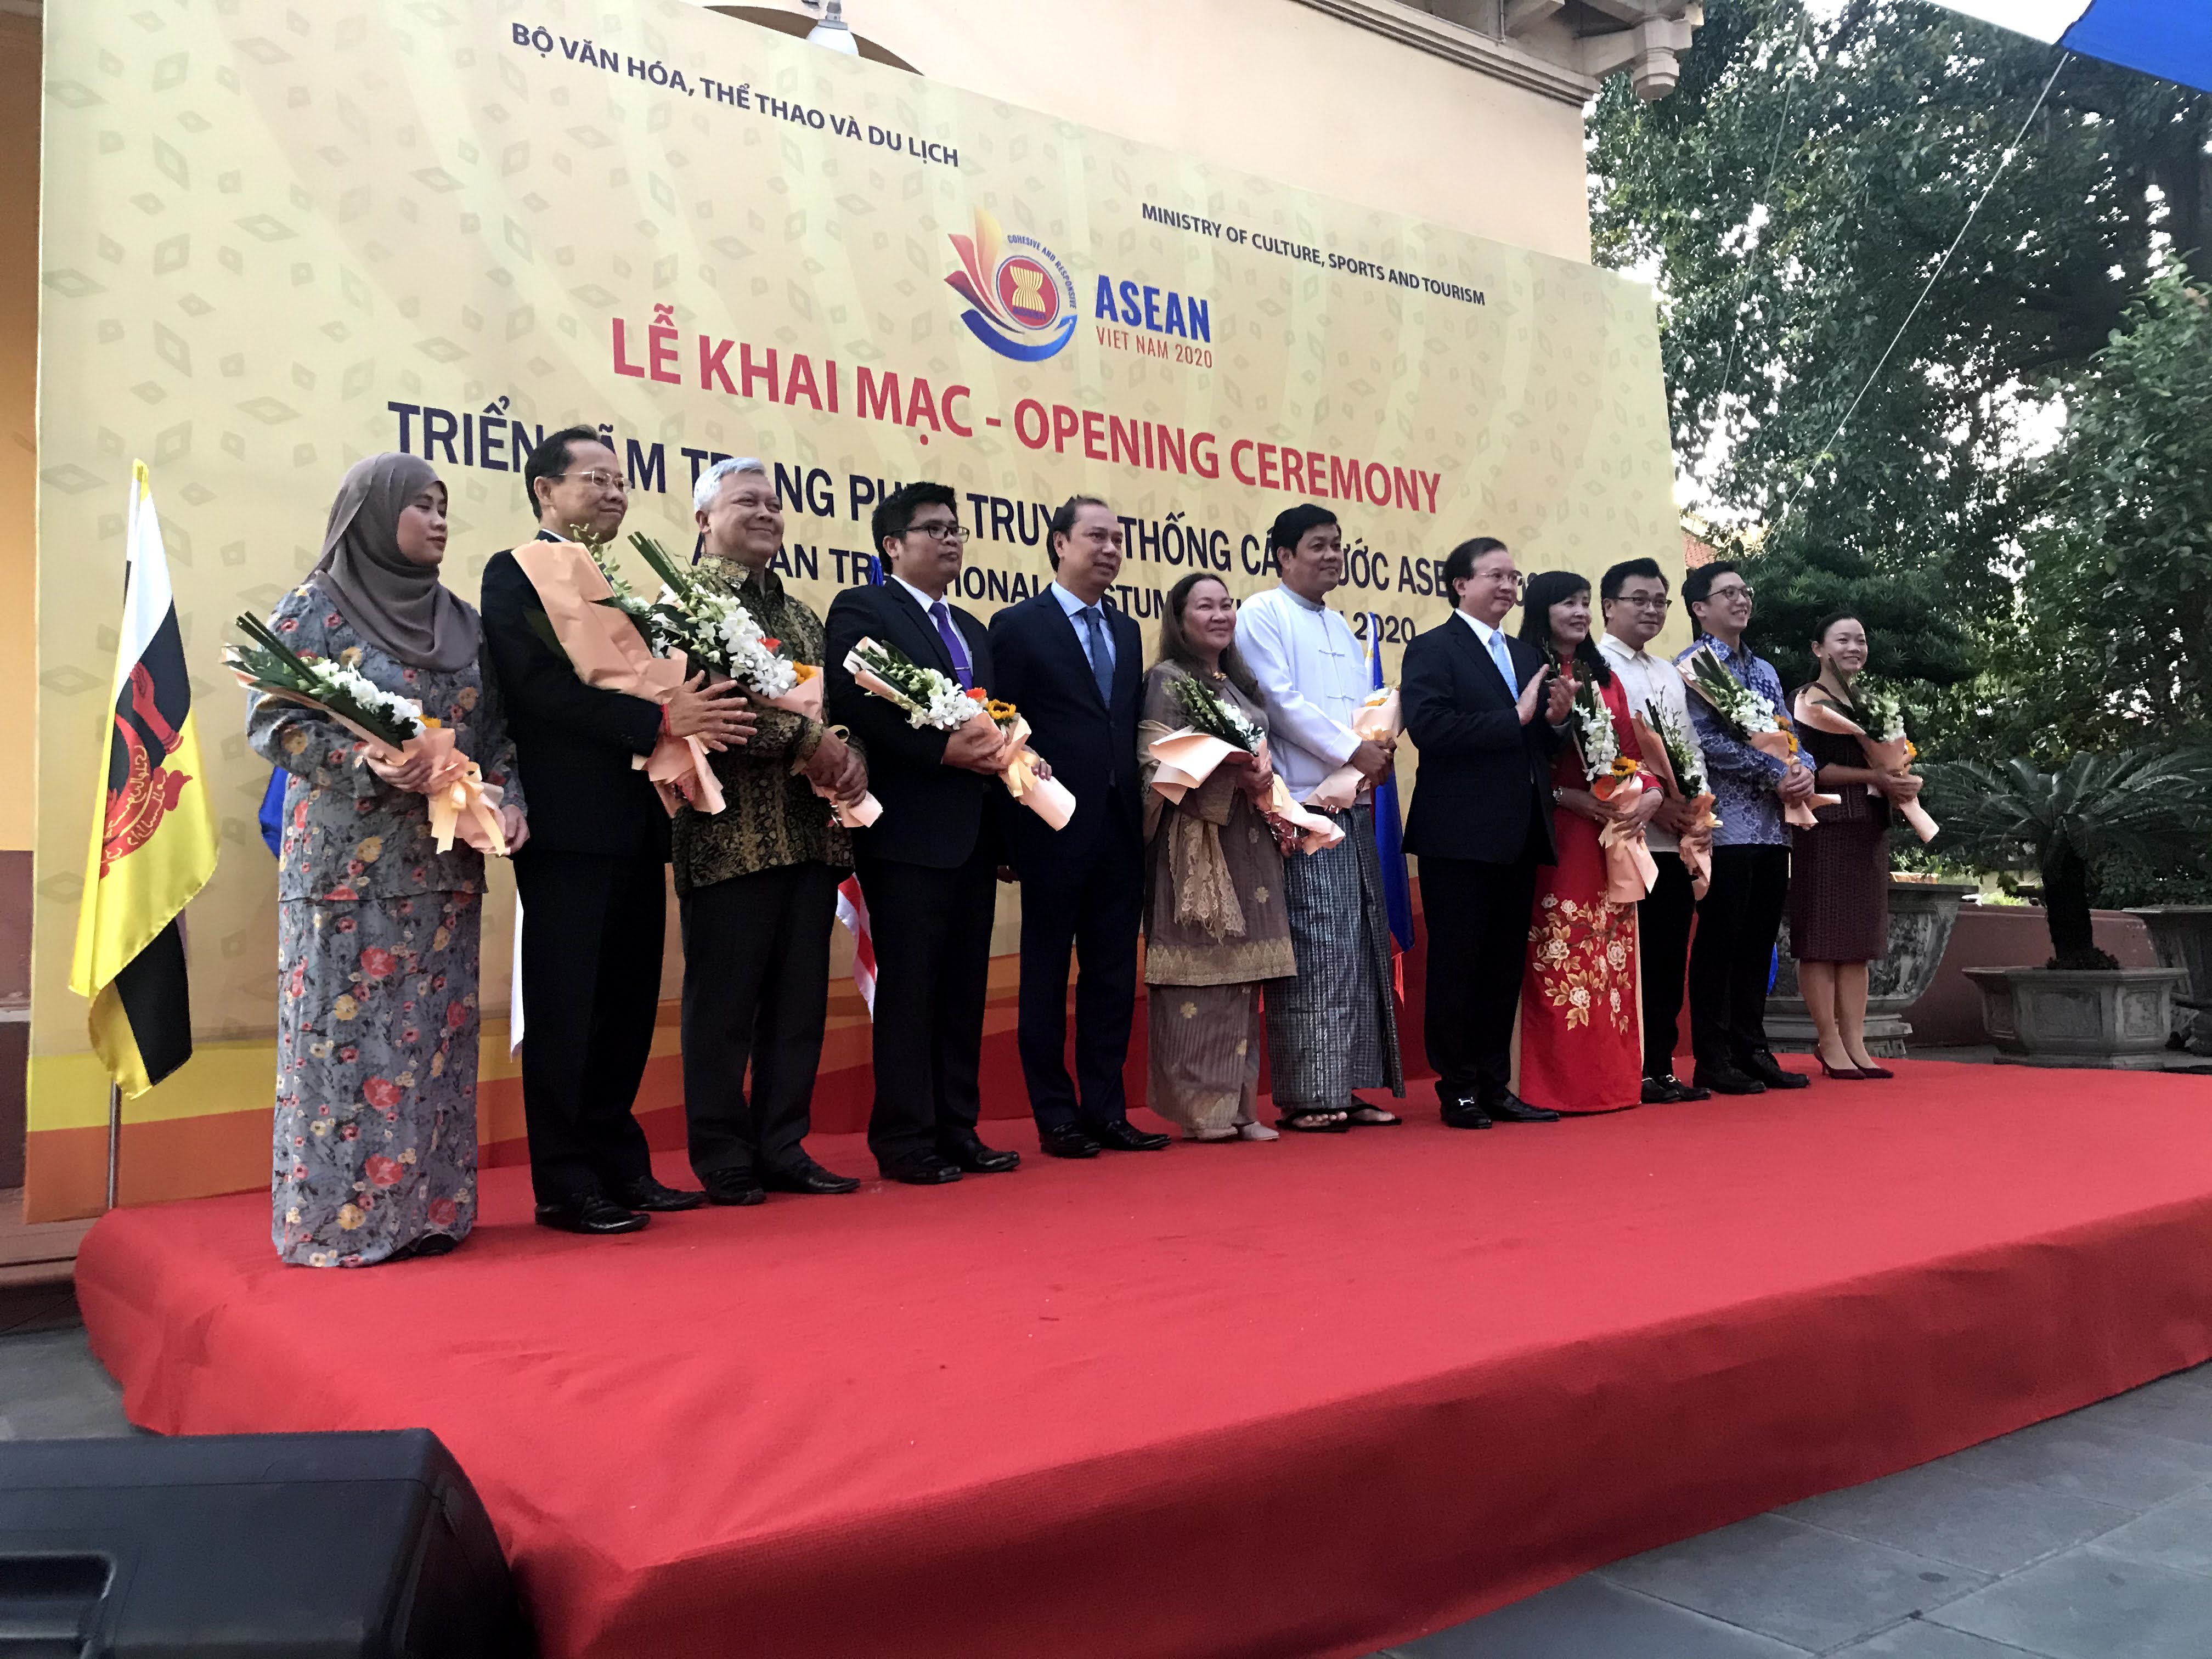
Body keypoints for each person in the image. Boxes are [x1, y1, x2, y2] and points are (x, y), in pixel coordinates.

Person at [250, 453, 528, 1266]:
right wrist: (363, 763)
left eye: (444, 506)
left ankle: (429, 1215)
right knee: (343, 1048)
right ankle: (341, 1225)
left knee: (431, 1045)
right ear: (372, 515)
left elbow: (498, 734)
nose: (439, 521)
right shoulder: (316, 608)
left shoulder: (464, 623)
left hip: (442, 873)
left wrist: (509, 801)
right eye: (421, 506)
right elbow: (274, 721)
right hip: (344, 874)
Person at [479, 427, 754, 1234]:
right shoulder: (515, 572)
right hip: (569, 823)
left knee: (628, 1004)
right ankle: (566, 1182)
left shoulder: (618, 584)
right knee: (569, 1006)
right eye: (593, 479)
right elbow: (536, 689)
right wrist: (658, 720)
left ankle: (619, 1164)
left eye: (618, 481)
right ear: (545, 491)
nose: (612, 493)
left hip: (638, 821)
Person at [674, 459, 872, 1205]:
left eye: (772, 503)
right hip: (729, 837)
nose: (765, 513)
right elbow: (705, 712)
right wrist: (806, 741)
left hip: (808, 835)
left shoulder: (800, 617)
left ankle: (784, 1146)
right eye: (746, 502)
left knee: (797, 1006)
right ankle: (723, 1154)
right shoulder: (681, 604)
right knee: (723, 1007)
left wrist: (848, 754)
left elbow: (831, 716)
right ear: (704, 521)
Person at [824, 481, 1022, 1184]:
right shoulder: (864, 609)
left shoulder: (972, 627)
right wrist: (940, 752)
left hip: (973, 834)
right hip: (907, 834)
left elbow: (992, 722)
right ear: (892, 544)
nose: (950, 540)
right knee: (910, 990)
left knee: (964, 988)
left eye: (956, 529)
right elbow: (856, 706)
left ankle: (957, 1128)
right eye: (933, 529)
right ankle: (905, 1138)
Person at [988, 496, 1170, 1159]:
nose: (1110, 549)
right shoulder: (1017, 626)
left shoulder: (1125, 629)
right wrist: (1008, 836)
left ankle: (1107, 1110)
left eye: (1117, 539)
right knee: (1044, 975)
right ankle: (1055, 1115)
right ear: (1060, 543)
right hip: (1050, 825)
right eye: (1096, 537)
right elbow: (1000, 726)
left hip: (1120, 830)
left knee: (1113, 978)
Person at [1233, 504, 1406, 1132]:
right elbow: (1278, 703)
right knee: (1316, 944)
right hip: (1301, 808)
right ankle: (1310, 1094)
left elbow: (1361, 710)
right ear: (1284, 555)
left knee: (1357, 944)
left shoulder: (1339, 623)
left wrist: (1376, 747)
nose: (1332, 556)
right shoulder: (1261, 613)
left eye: (1337, 545)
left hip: (1352, 801)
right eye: (1318, 546)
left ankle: (1346, 1086)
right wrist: (1352, 751)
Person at [1401, 538, 1575, 1128]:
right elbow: (1430, 729)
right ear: (1460, 584)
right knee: (1459, 964)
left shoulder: (1526, 654)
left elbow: (1536, 742)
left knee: (1503, 966)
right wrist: (1516, 717)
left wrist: (1554, 722)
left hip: (1519, 831)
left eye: (1513, 578)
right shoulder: (1433, 648)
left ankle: (1495, 1084)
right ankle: (1458, 1088)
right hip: (1459, 835)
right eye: (1495, 575)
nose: (1507, 587)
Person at [1138, 574, 1299, 1141]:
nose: (1221, 615)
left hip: (1249, 841)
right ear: (1180, 620)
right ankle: (1202, 1112)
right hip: (1195, 844)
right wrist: (1227, 771)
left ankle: (1242, 1108)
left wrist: (1263, 780)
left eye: (1227, 605)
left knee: (1244, 978)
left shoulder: (1239, 684)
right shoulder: (1168, 680)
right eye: (1205, 606)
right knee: (1198, 982)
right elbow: (1153, 766)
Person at [1514, 570, 1663, 1114]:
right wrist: (1565, 796)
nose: (1578, 613)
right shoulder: (1528, 670)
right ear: (1542, 610)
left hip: (1610, 832)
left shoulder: (1606, 678)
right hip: (1555, 830)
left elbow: (1629, 755)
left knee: (1608, 956)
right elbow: (1521, 757)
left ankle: (1610, 1082)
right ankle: (1555, 1085)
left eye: (1583, 603)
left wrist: (1649, 791)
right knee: (1560, 953)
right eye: (1566, 604)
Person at [1674, 562, 1816, 1096]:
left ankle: (1753, 1049)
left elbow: (1788, 732)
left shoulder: (1765, 670)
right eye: (1728, 592)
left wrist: (1803, 770)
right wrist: (1773, 772)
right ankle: (1713, 1057)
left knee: (1759, 942)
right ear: (1700, 608)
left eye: (1745, 591)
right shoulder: (1695, 665)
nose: (1741, 600)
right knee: (1721, 941)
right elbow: (1704, 742)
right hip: (1725, 825)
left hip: (1773, 827)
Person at [1597, 558, 1713, 1104]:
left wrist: (1698, 809)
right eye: (1638, 599)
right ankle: (1628, 1067)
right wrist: (1651, 799)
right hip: (1623, 832)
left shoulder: (1668, 671)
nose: (1651, 610)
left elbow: (1688, 747)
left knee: (1668, 955)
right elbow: (1601, 751)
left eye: (1659, 602)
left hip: (1674, 839)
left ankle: (1661, 1066)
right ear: (1608, 606)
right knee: (1627, 958)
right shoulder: (1597, 667)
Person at [1791, 612, 1918, 1081]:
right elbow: (1812, 767)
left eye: (1860, 640)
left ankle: (1857, 1042)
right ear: (1818, 649)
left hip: (1868, 824)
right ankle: (1828, 1041)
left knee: (1858, 944)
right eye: (1842, 640)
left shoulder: (1871, 703)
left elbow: (1891, 761)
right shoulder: (1806, 701)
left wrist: (1900, 781)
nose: (1853, 648)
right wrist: (1876, 775)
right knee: (1822, 941)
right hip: (1824, 824)